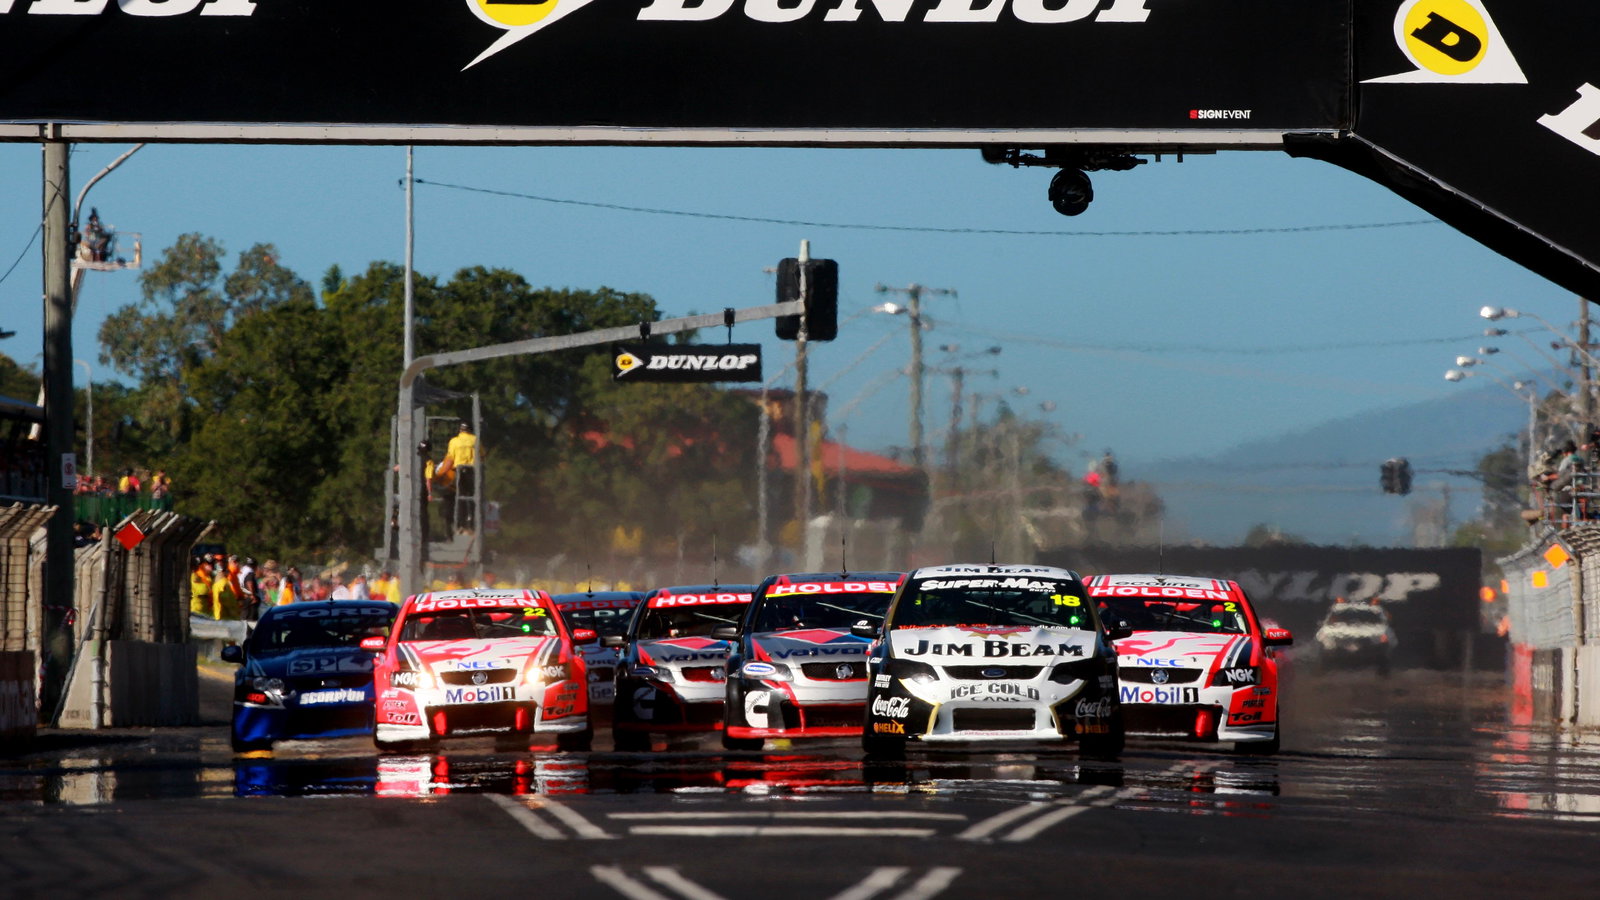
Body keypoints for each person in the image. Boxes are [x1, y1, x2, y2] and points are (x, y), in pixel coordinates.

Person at [446, 421, 478, 532]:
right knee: (473, 497)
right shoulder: (475, 439)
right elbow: (482, 454)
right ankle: (473, 524)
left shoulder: (454, 441)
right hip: (472, 471)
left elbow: (450, 458)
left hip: (459, 471)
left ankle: (461, 524)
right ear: (469, 430)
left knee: (460, 498)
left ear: (460, 430)